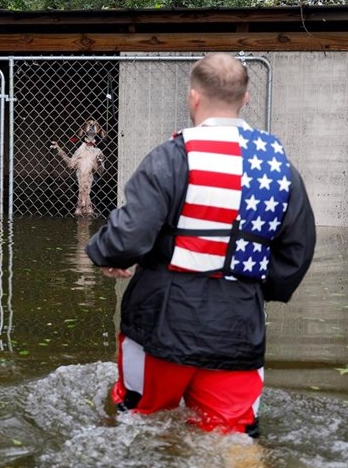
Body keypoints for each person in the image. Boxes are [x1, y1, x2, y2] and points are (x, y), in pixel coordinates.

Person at [86, 53, 316, 437]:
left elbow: (129, 236)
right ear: (245, 99)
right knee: (234, 439)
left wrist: (107, 253)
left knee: (138, 424)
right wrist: (254, 289)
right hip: (239, 325)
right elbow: (298, 250)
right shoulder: (279, 166)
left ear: (193, 97)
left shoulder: (172, 157)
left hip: (163, 321)